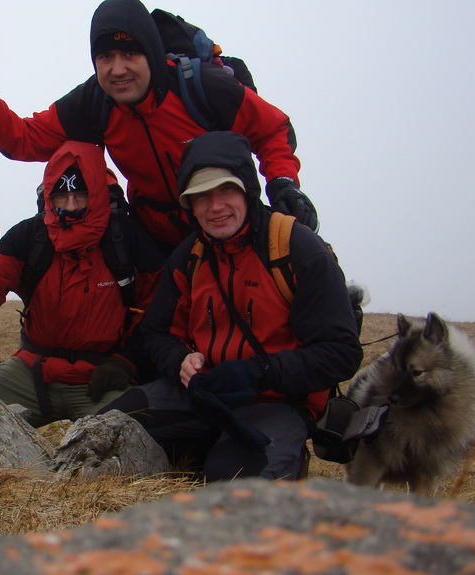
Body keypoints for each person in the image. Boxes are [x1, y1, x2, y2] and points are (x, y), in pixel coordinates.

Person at [0, 0, 318, 255]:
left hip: (230, 223)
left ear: (151, 53)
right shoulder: (94, 103)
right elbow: (21, 140)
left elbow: (271, 129)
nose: (117, 69)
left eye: (130, 54)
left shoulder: (202, 87)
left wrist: (283, 182)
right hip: (160, 241)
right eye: (105, 56)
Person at [99, 131, 362, 481]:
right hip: (201, 393)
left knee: (233, 492)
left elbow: (340, 353)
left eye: (226, 190)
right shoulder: (189, 256)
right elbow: (156, 333)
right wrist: (179, 360)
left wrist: (260, 372)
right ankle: (204, 446)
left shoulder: (297, 249)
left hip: (277, 402)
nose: (216, 206)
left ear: (248, 190)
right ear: (189, 205)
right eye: (201, 196)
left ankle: (280, 459)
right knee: (102, 434)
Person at [0, 141, 164, 427]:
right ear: (48, 198)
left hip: (100, 377)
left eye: (81, 195)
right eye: (61, 197)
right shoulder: (30, 235)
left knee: (138, 429)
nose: (71, 207)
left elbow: (158, 311)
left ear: (97, 195)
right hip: (31, 373)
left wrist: (126, 361)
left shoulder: (126, 238)